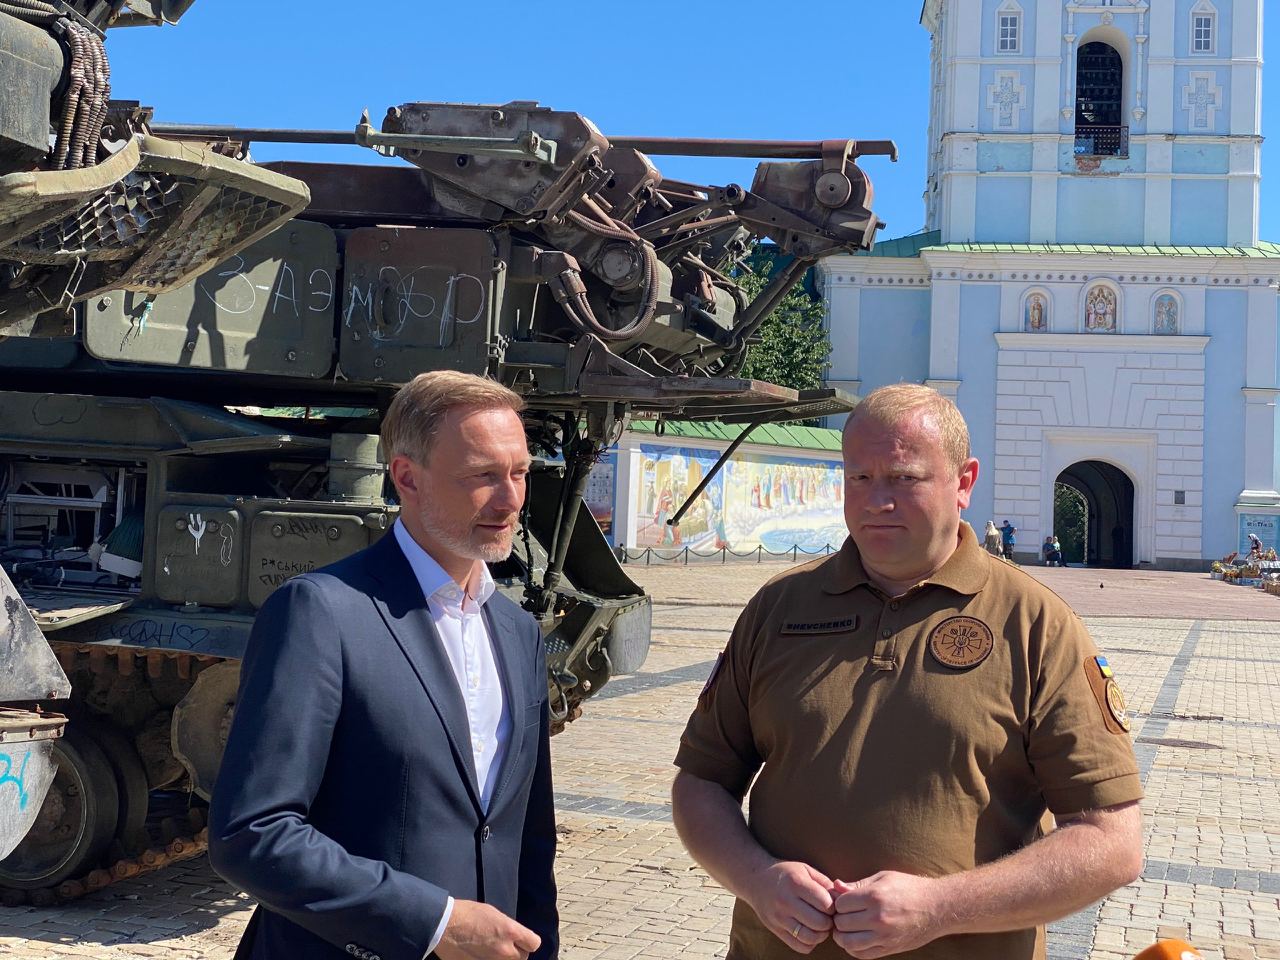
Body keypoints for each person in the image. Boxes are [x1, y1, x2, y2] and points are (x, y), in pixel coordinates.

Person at [671, 383, 1142, 960]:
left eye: (903, 477)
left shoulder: (1035, 624)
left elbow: (1112, 843)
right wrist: (756, 879)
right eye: (859, 478)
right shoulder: (779, 608)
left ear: (963, 483)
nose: (876, 501)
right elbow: (700, 782)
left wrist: (941, 908)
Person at [209, 371, 558, 960]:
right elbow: (251, 834)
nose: (511, 500)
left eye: (520, 472)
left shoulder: (518, 631)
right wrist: (434, 921)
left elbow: (529, 840)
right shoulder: (321, 613)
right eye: (482, 477)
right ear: (406, 478)